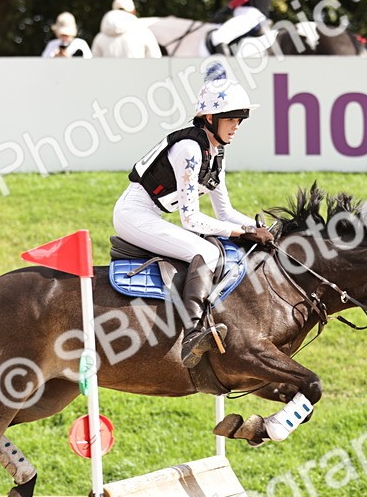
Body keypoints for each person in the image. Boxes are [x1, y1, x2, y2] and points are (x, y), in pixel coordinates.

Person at [113, 65, 275, 368]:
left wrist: (256, 228)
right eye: (230, 119)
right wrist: (242, 233)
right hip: (133, 215)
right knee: (206, 251)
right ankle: (192, 334)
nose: (236, 126)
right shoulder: (189, 149)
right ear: (210, 119)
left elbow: (224, 212)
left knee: (219, 248)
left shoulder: (216, 152)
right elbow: (191, 221)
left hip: (151, 215)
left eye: (239, 120)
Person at [92, 0, 162, 58]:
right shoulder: (144, 33)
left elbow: (94, 65)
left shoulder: (99, 37)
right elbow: (155, 60)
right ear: (133, 11)